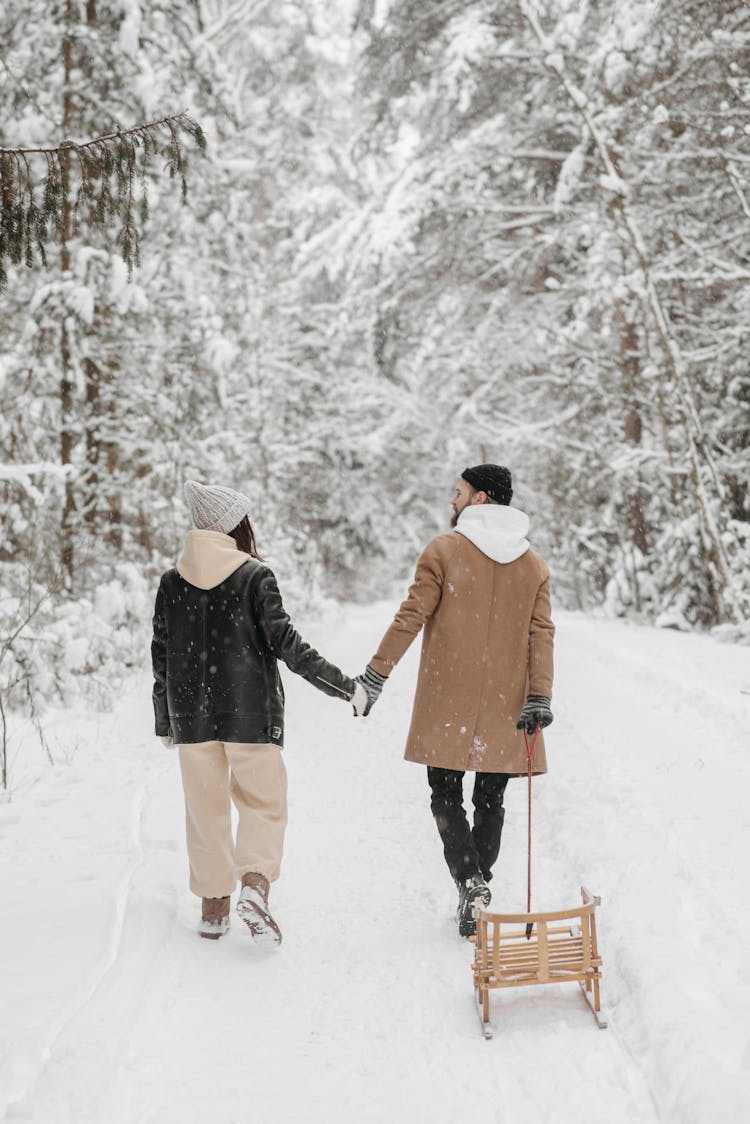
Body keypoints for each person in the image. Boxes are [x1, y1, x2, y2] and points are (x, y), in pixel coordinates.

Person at [151, 480, 367, 945]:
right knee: (263, 806)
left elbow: (162, 656)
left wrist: (165, 721)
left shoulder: (171, 582)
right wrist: (345, 687)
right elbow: (287, 645)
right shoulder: (253, 576)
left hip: (191, 719)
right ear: (234, 526)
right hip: (249, 716)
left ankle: (212, 910)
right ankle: (254, 885)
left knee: (204, 812)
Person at [356, 464, 555, 937]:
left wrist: (376, 673)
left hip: (449, 698)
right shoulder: (533, 565)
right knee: (491, 798)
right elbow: (541, 634)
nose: (453, 500)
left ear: (481, 499)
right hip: (508, 703)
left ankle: (470, 883)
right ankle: (478, 886)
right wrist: (540, 695)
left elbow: (412, 615)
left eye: (459, 492)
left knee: (445, 793)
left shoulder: (444, 551)